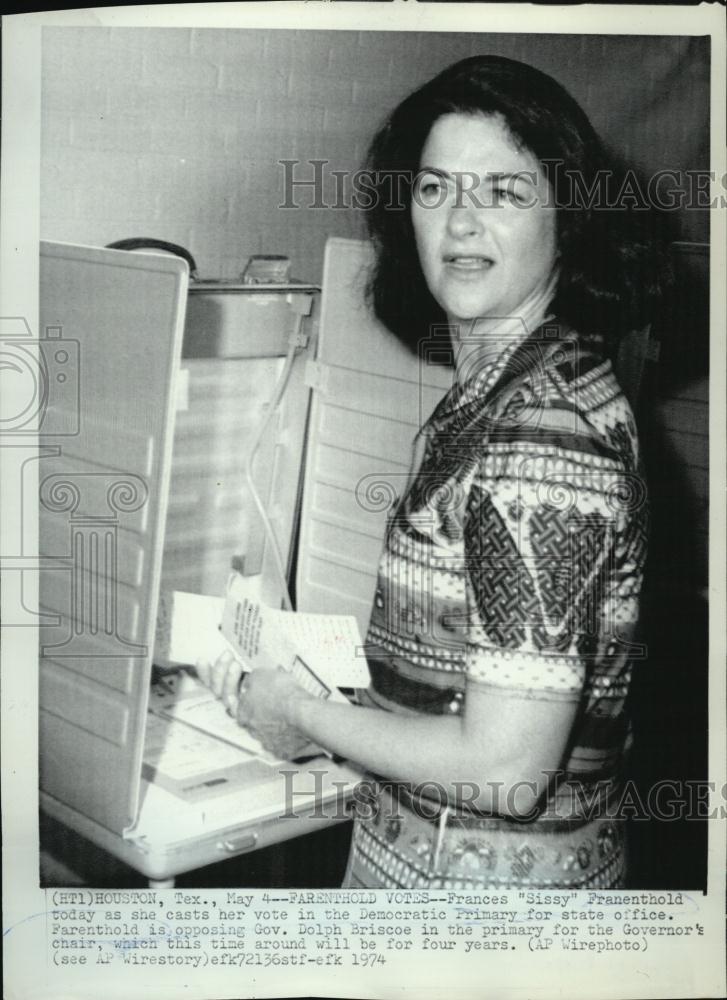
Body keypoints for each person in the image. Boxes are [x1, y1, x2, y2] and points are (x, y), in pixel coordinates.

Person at [199, 55, 662, 890]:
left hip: (484, 915)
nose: (460, 223)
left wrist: (304, 714)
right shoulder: (500, 390)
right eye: (436, 188)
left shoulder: (542, 434)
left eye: (504, 192)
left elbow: (503, 768)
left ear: (569, 216)